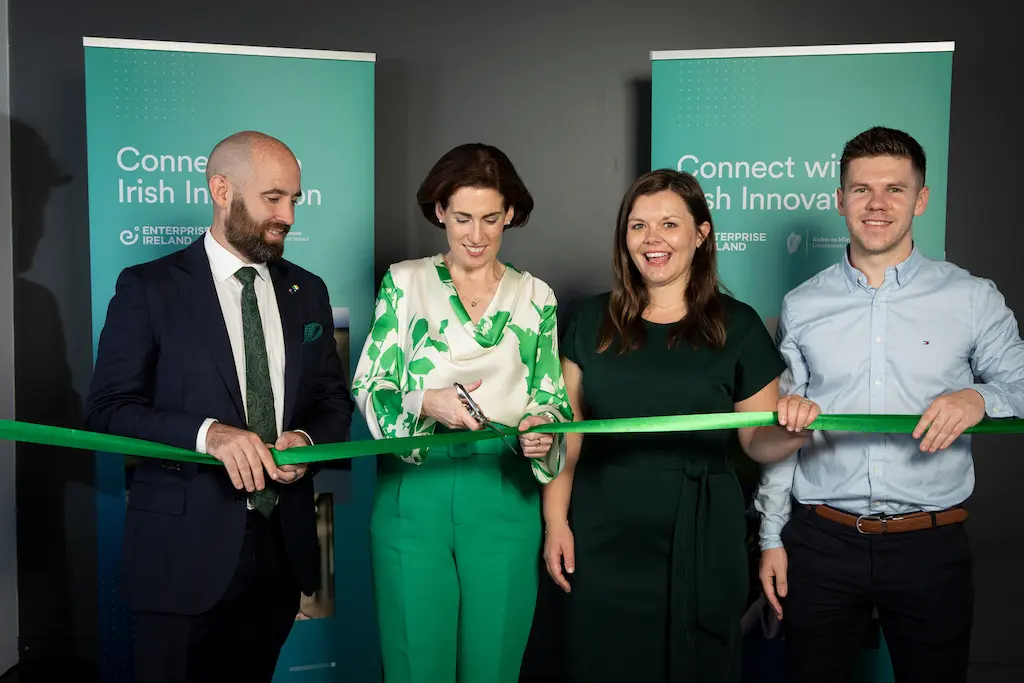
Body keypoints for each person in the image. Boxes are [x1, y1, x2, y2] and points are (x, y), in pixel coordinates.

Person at [755, 126, 1024, 683]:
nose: (877, 205)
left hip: (931, 546)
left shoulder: (973, 298)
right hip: (822, 542)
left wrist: (980, 396)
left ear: (921, 199)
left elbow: (1020, 384)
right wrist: (771, 537)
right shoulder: (802, 304)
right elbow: (785, 429)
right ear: (839, 198)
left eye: (895, 190)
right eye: (861, 190)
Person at [85, 131, 354, 683]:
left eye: (294, 200)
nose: (288, 217)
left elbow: (332, 401)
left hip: (282, 553)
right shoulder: (149, 287)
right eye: (273, 199)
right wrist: (210, 434)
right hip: (179, 558)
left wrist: (306, 442)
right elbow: (109, 409)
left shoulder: (309, 290)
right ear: (222, 189)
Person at [542, 169, 815, 683]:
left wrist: (796, 428)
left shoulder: (739, 325)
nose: (652, 240)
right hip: (603, 532)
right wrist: (556, 521)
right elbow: (568, 435)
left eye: (669, 224)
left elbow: (756, 441)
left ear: (702, 233)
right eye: (638, 226)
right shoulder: (588, 319)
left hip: (702, 531)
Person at [351, 143, 574, 683]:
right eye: (463, 218)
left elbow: (552, 402)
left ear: (511, 216)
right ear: (440, 213)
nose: (476, 235)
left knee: (492, 668)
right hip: (414, 487)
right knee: (414, 666)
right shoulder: (403, 282)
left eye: (491, 219)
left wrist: (542, 431)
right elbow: (369, 384)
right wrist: (427, 401)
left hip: (501, 490)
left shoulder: (536, 296)